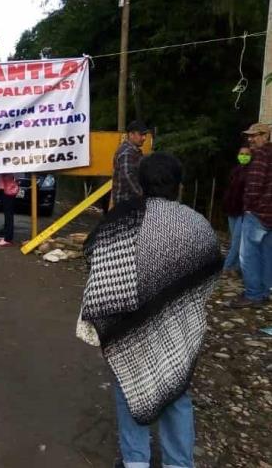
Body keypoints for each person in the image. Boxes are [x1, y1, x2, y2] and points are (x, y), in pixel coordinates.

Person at [78, 152, 222, 468]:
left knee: (129, 388)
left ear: (141, 183)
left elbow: (97, 266)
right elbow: (209, 278)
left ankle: (136, 462)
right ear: (179, 185)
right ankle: (179, 463)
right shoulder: (198, 224)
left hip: (127, 327)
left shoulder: (120, 219)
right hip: (179, 327)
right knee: (177, 392)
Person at [232, 123, 272, 308]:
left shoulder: (261, 155)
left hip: (257, 214)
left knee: (247, 255)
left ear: (265, 135)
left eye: (254, 135)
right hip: (270, 215)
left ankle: (253, 294)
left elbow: (255, 185)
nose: (250, 139)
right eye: (249, 136)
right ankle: (263, 292)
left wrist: (248, 206)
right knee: (266, 255)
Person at [221, 145, 252, 277]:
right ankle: (235, 267)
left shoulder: (251, 173)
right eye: (242, 154)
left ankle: (226, 266)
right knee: (236, 240)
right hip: (231, 210)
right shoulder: (235, 170)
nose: (243, 156)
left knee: (238, 241)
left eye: (246, 154)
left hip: (243, 211)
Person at [111, 120, 149, 206]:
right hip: (126, 202)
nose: (144, 138)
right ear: (131, 135)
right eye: (141, 135)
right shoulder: (127, 152)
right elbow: (128, 176)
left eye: (145, 135)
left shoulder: (134, 151)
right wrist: (142, 195)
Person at [0, 173, 18, 246]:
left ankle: (8, 238)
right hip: (6, 189)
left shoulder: (7, 169)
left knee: (8, 214)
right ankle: (6, 233)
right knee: (7, 213)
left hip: (8, 190)